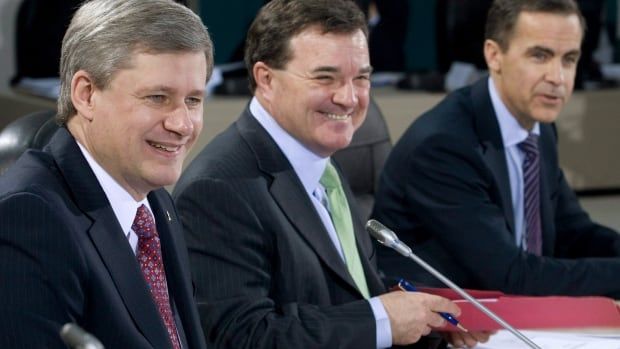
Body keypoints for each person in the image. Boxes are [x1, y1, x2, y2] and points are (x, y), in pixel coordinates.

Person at [173, 0, 490, 348]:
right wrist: (383, 320)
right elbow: (241, 337)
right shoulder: (218, 189)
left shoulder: (320, 157)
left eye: (362, 78)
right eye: (326, 77)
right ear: (265, 79)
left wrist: (428, 322)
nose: (349, 98)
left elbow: (347, 299)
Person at [0, 0, 213, 347]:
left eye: (193, 100)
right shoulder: (26, 218)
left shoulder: (155, 202)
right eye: (158, 97)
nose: (182, 124)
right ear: (86, 94)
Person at [372, 0, 620, 298]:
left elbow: (573, 232)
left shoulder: (539, 126)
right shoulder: (444, 145)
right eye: (539, 56)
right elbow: (511, 276)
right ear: (494, 55)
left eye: (569, 59)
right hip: (451, 325)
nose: (558, 77)